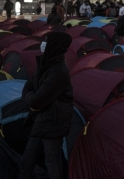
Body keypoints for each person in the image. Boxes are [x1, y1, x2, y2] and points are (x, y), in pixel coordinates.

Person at [20, 32, 73, 179]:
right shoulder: (45, 64)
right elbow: (27, 88)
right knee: (27, 159)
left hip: (53, 123)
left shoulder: (59, 72)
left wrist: (32, 101)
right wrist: (32, 101)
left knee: (52, 162)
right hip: (41, 119)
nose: (43, 43)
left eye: (46, 41)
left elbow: (37, 100)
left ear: (53, 45)